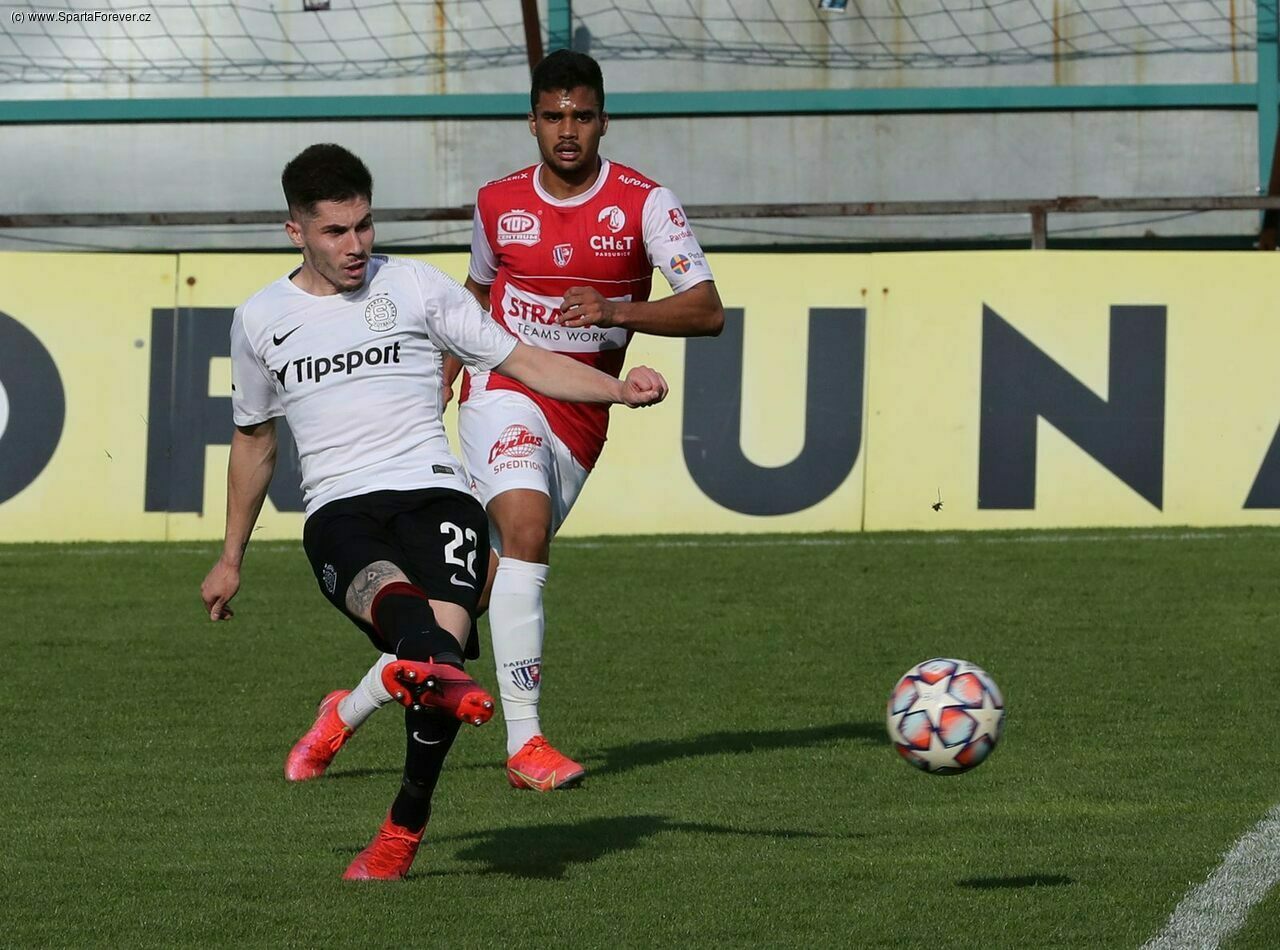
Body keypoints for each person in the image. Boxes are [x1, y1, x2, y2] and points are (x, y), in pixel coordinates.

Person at [200, 142, 668, 879]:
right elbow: (254, 441)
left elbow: (521, 359)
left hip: (436, 495)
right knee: (424, 647)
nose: (355, 245)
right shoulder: (261, 319)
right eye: (334, 231)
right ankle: (402, 708)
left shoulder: (417, 286)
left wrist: (618, 390)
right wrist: (231, 557)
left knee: (434, 668)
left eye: (364, 225)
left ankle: (400, 828)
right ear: (296, 232)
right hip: (340, 509)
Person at [284, 49, 723, 793]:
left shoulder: (647, 203)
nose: (567, 130)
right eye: (553, 116)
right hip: (502, 387)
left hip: (581, 409)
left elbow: (707, 310)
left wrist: (618, 311)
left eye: (582, 116)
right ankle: (527, 742)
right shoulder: (497, 203)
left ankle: (346, 710)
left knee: (469, 599)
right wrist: (442, 378)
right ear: (532, 122)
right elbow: (475, 301)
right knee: (526, 526)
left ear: (603, 121)